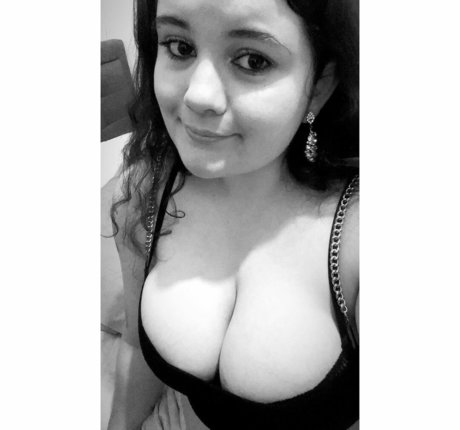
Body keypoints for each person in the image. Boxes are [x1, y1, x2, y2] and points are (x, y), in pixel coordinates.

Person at [107, 0, 359, 428]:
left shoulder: (360, 233)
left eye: (252, 60)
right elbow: (134, 345)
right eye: (180, 47)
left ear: (319, 84)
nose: (198, 95)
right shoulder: (146, 188)